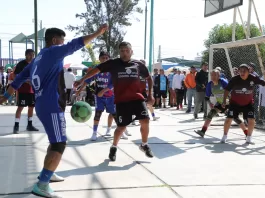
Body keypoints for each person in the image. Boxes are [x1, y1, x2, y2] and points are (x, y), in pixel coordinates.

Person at [0, 24, 108, 197]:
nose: (63, 44)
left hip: (42, 104)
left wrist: (5, 96)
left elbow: (18, 80)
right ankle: (42, 184)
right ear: (55, 40)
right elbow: (76, 44)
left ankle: (48, 174)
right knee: (59, 144)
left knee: (54, 140)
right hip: (51, 105)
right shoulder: (53, 52)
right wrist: (97, 33)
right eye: (61, 41)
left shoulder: (37, 59)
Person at [74, 41, 155, 162]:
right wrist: (82, 79)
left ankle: (144, 144)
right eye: (122, 51)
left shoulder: (138, 64)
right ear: (119, 52)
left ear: (131, 51)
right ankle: (114, 147)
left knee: (145, 120)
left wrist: (150, 94)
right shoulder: (113, 63)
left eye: (127, 50)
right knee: (121, 127)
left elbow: (149, 78)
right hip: (122, 100)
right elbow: (95, 70)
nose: (124, 53)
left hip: (137, 98)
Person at [76, 51, 130, 141]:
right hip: (99, 97)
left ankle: (121, 131)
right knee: (97, 114)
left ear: (109, 59)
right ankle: (94, 133)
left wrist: (104, 90)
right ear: (99, 59)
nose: (105, 59)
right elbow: (87, 80)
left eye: (106, 58)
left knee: (115, 115)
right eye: (103, 58)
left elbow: (113, 83)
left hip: (110, 96)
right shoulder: (96, 71)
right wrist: (79, 90)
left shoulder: (112, 71)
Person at [194, 70, 248, 137]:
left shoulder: (223, 82)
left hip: (231, 102)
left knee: (235, 118)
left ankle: (247, 133)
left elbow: (232, 93)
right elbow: (207, 97)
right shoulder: (210, 84)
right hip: (220, 102)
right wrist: (210, 103)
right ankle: (203, 131)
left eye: (215, 75)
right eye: (212, 75)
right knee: (210, 114)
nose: (213, 77)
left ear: (219, 76)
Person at [221, 64, 265, 144]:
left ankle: (249, 137)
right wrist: (224, 101)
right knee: (228, 120)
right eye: (240, 71)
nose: (242, 72)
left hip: (248, 104)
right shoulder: (234, 79)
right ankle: (224, 136)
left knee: (251, 120)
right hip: (234, 104)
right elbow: (227, 90)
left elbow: (262, 82)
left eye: (244, 71)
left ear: (249, 71)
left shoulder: (253, 78)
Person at [13, 49, 39, 134]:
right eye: (30, 55)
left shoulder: (34, 64)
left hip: (32, 90)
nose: (32, 56)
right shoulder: (21, 64)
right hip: (23, 90)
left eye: (33, 55)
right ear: (26, 55)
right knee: (20, 107)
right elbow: (15, 75)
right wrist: (26, 81)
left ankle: (30, 125)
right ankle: (16, 126)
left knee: (31, 107)